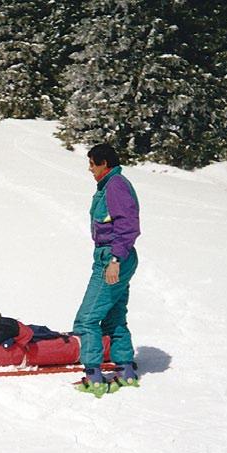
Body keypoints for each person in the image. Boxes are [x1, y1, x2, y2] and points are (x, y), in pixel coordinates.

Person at [72, 144, 141, 397]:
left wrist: (115, 260)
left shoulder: (116, 185)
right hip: (113, 257)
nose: (89, 169)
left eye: (92, 163)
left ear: (104, 163)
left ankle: (94, 375)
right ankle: (125, 370)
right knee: (112, 317)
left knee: (87, 319)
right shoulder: (110, 185)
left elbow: (128, 226)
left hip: (113, 259)